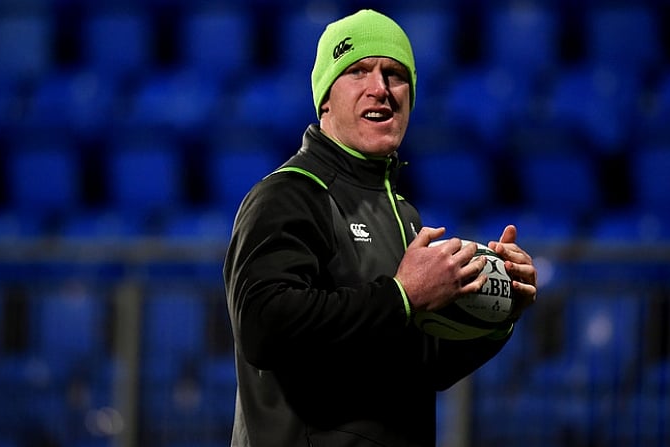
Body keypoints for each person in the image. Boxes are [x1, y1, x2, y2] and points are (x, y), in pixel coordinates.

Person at [223, 9, 538, 447]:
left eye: (395, 74)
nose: (381, 89)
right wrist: (402, 295)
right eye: (358, 72)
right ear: (325, 98)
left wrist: (500, 313)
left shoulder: (402, 213)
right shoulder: (290, 194)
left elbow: (424, 364)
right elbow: (263, 327)